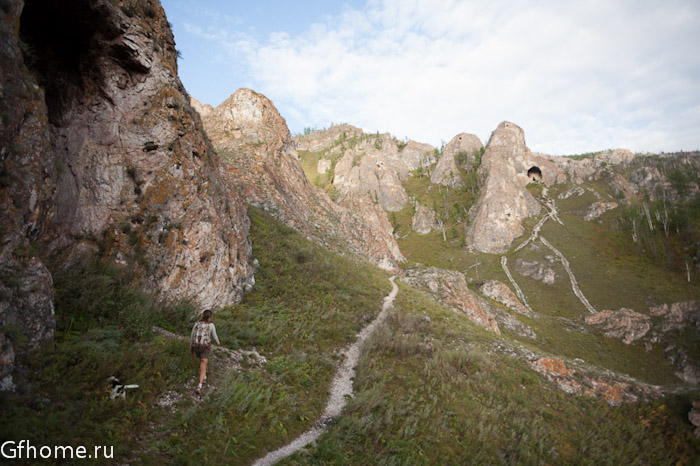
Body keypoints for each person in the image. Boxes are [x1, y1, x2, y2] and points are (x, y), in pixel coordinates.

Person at [189, 309, 220, 394]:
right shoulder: (211, 325)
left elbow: (192, 336)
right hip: (205, 348)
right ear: (210, 317)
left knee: (202, 361)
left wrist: (190, 347)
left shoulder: (196, 324)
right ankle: (199, 386)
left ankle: (204, 376)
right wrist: (218, 343)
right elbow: (214, 336)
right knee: (203, 364)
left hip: (196, 347)